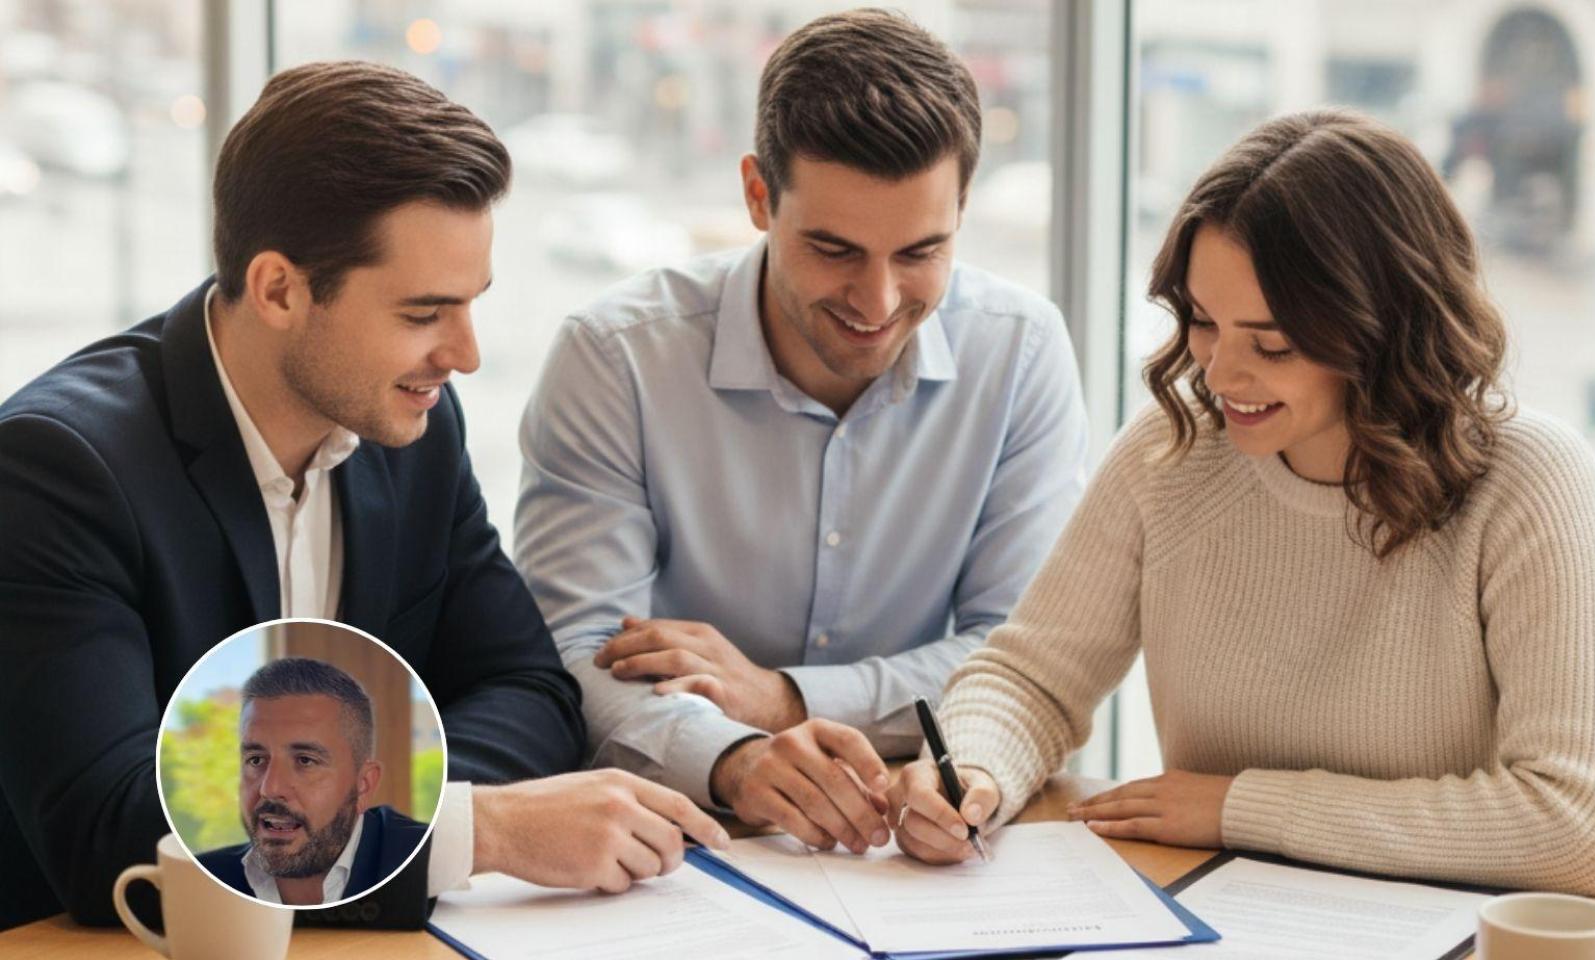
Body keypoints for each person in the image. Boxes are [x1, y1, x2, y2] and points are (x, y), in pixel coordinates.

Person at [0, 61, 724, 932]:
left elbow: (525, 689)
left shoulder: (412, 426)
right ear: (279, 289)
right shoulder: (58, 469)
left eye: (471, 305)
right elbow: (109, 832)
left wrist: (377, 816)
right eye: (423, 314)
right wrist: (473, 830)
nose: (465, 355)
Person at [887, 109, 1595, 896]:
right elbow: (1033, 678)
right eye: (1203, 321)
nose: (1218, 374)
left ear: (1384, 327)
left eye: (1272, 344)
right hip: (1217, 915)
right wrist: (971, 770)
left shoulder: (1528, 480)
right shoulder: (1173, 450)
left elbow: (1578, 823)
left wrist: (1240, 808)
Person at [514, 9, 1088, 856]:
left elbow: (1025, 661)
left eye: (920, 252)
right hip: (679, 836)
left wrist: (783, 699)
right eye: (834, 250)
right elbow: (575, 651)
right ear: (758, 196)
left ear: (963, 207)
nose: (878, 301)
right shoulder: (616, 358)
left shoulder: (1022, 351)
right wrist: (736, 756)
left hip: (919, 835)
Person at [197, 658, 427, 906]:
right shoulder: (198, 881)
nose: (270, 789)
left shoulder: (425, 858)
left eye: (305, 761)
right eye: (256, 760)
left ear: (364, 785)